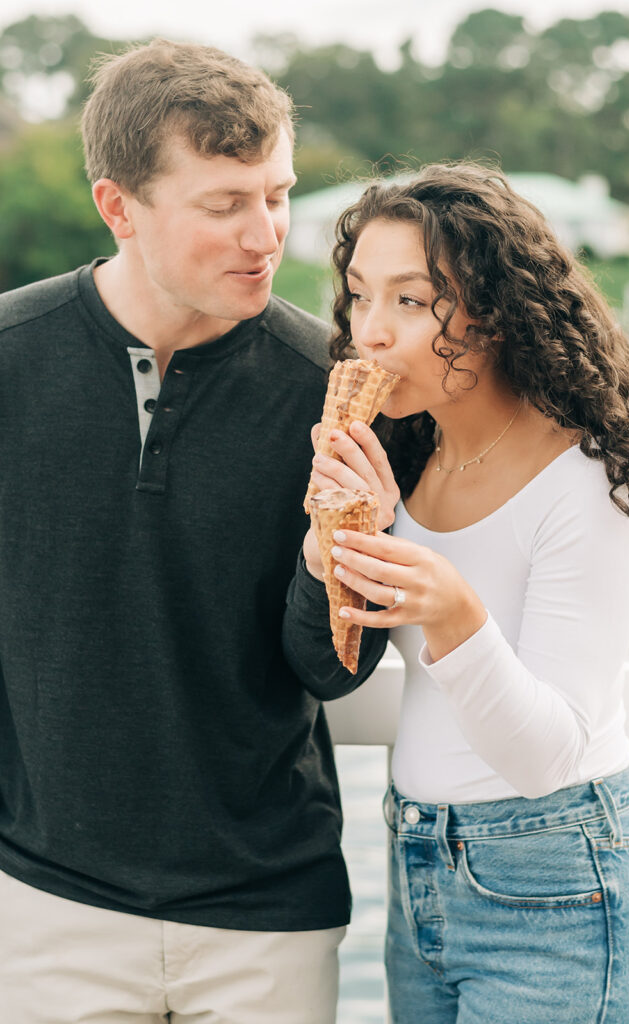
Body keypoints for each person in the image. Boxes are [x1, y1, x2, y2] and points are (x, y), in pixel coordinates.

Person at [0, 38, 386, 1023]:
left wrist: (325, 555)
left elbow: (334, 668)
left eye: (278, 192)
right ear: (118, 207)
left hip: (268, 916)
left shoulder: (330, 395)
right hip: (44, 904)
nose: (268, 234)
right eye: (225, 205)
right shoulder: (8, 363)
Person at [284, 162, 629, 1022]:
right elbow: (325, 660)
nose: (371, 334)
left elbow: (547, 756)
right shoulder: (407, 462)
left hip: (560, 894)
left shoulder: (588, 482)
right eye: (360, 296)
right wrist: (334, 545)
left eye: (412, 301)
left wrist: (454, 612)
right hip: (418, 873)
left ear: (497, 313)